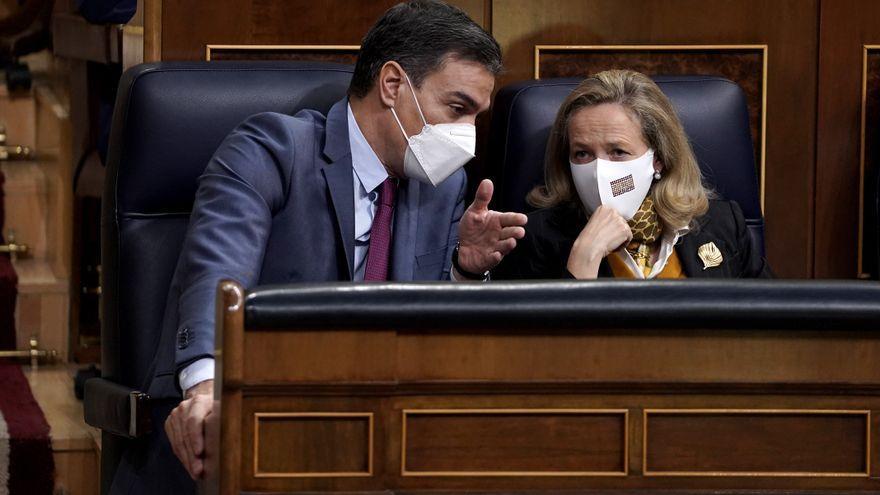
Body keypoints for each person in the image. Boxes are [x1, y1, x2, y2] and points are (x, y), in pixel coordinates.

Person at [110, 2, 528, 493]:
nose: (467, 137)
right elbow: (218, 276)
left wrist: (463, 269)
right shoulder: (271, 150)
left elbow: (425, 330)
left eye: (477, 117)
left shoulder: (443, 186)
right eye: (457, 109)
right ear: (393, 85)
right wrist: (207, 389)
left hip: (369, 442)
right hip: (251, 429)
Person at [493, 69, 771, 280]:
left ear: (659, 159)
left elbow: (773, 323)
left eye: (617, 152)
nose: (599, 169)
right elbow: (537, 349)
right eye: (582, 154)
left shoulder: (723, 224)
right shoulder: (534, 238)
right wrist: (583, 260)